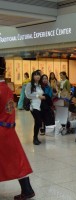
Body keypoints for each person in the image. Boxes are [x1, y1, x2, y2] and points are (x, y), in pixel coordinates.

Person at [0, 57, 35, 199]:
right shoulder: (7, 88)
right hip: (9, 130)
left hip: (1, 130)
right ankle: (27, 190)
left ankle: (27, 190)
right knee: (17, 159)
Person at [25, 71, 45, 145]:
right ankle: (35, 138)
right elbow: (28, 95)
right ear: (32, 76)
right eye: (35, 75)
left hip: (40, 106)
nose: (37, 76)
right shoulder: (29, 84)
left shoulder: (39, 85)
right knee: (38, 121)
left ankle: (36, 137)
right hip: (33, 106)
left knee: (38, 122)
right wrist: (38, 96)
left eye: (38, 75)